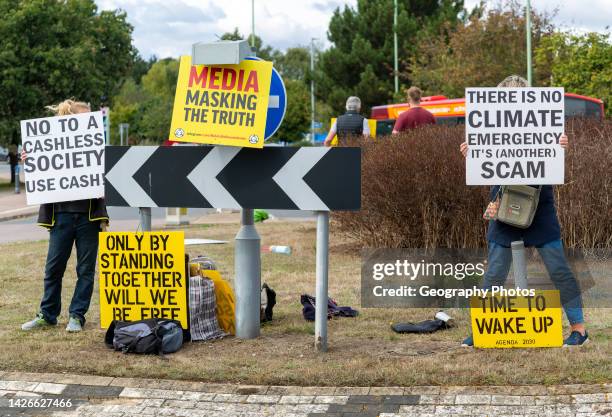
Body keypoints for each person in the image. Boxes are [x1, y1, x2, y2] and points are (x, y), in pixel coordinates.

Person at [459, 75, 588, 347]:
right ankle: (481, 330)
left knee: (558, 270)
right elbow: (488, 170)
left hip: (540, 210)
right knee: (494, 274)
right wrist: (472, 153)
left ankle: (579, 330)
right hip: (503, 209)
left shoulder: (545, 128)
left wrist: (560, 146)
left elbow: (551, 164)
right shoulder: (488, 130)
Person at [21, 99, 109, 333]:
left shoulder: (95, 145)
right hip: (59, 216)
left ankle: (77, 316)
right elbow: (39, 171)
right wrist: (30, 163)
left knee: (86, 270)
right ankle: (48, 315)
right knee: (53, 268)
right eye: (85, 117)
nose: (91, 121)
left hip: (89, 218)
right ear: (70, 119)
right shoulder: (48, 144)